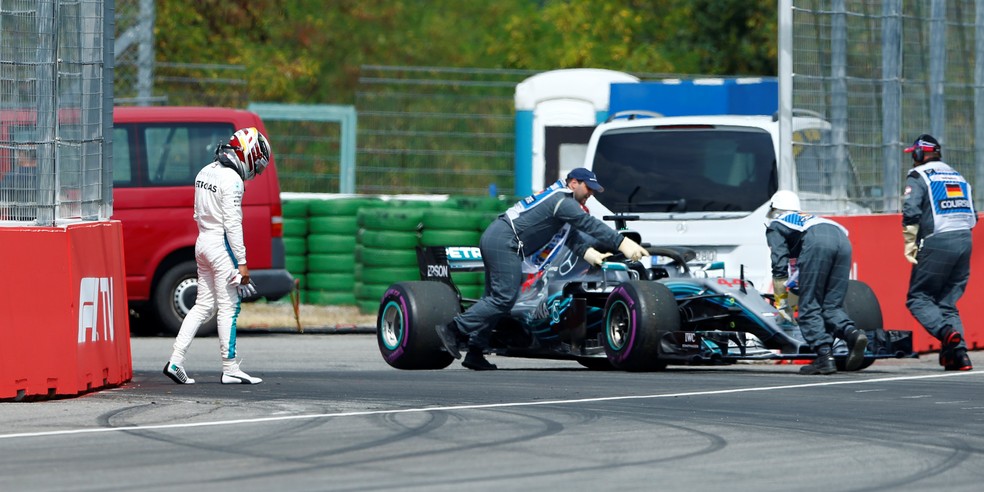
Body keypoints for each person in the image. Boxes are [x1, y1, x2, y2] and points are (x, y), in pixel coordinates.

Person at [436, 168, 650, 371]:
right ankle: (453, 330)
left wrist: (590, 254)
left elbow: (572, 237)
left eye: (594, 190)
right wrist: (621, 242)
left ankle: (475, 351)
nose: (590, 194)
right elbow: (588, 225)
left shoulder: (559, 200)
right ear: (574, 183)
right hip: (504, 242)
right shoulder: (563, 201)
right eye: (588, 188)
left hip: (500, 239)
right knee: (503, 298)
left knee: (495, 298)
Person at [163, 127, 271, 385]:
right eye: (256, 163)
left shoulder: (205, 171)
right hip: (220, 245)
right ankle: (230, 367)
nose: (255, 170)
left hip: (202, 242)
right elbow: (233, 225)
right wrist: (242, 264)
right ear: (248, 153)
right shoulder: (233, 181)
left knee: (202, 306)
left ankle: (175, 361)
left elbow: (198, 213)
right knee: (229, 307)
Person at [765, 190, 868, 375]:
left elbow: (779, 263)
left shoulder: (777, 224)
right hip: (842, 239)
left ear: (775, 208)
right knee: (831, 306)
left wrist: (781, 300)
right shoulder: (809, 218)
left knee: (808, 307)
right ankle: (852, 334)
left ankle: (824, 357)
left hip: (817, 242)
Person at [902, 134, 975, 371]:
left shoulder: (919, 175)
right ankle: (959, 355)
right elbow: (972, 217)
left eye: (914, 154)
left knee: (918, 298)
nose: (913, 159)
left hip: (938, 239)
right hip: (965, 239)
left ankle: (945, 333)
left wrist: (910, 241)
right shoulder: (958, 175)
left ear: (920, 154)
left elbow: (911, 209)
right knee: (947, 301)